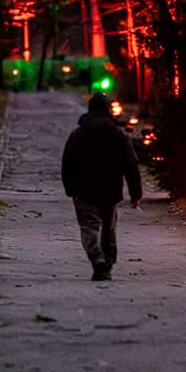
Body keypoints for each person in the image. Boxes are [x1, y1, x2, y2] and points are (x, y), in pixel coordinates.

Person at [61, 93, 142, 280]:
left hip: (83, 190)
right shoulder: (119, 135)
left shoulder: (77, 135)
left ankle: (97, 258)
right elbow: (131, 165)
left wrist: (70, 188)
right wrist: (135, 193)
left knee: (88, 227)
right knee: (108, 228)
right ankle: (108, 262)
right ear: (108, 110)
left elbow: (68, 163)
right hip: (110, 190)